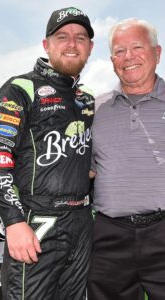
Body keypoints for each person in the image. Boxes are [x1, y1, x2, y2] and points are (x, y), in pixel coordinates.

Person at [0, 6, 95, 300]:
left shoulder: (87, 101)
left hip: (82, 222)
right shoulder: (20, 88)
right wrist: (14, 222)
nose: (72, 44)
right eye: (62, 36)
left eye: (80, 38)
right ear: (47, 45)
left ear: (90, 47)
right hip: (37, 221)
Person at [88, 18, 164, 300]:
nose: (128, 57)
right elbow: (88, 170)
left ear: (157, 53)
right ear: (111, 60)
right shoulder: (95, 109)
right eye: (120, 51)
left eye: (137, 47)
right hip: (109, 237)